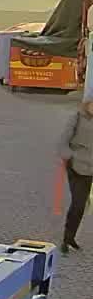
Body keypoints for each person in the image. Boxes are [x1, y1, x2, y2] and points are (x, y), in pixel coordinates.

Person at [61, 100, 93, 253]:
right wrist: (70, 157)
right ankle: (67, 239)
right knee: (78, 203)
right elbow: (63, 141)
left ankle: (71, 237)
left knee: (81, 206)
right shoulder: (77, 117)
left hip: (91, 169)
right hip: (77, 168)